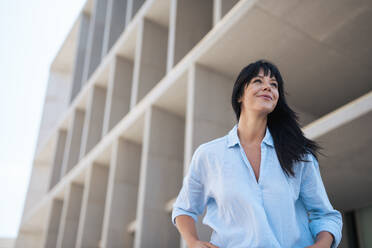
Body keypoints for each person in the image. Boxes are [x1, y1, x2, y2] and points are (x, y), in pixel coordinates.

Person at [171, 60, 343, 248]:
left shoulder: (299, 155)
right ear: (239, 95)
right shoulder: (208, 155)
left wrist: (322, 245)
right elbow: (183, 209)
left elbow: (326, 215)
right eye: (258, 81)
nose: (267, 88)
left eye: (274, 85)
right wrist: (193, 242)